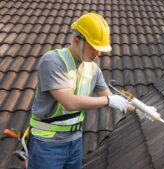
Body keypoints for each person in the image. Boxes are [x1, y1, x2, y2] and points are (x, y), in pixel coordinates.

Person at [27, 12, 135, 169]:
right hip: (47, 144)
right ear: (76, 40)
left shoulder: (93, 70)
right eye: (93, 48)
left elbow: (113, 98)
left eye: (100, 50)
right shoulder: (53, 62)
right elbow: (69, 102)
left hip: (75, 141)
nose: (97, 55)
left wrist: (142, 110)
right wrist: (108, 101)